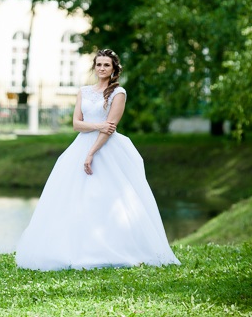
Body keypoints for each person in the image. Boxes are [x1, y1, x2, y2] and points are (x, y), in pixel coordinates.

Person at [15, 48, 180, 271]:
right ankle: (74, 248)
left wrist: (92, 152)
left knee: (108, 198)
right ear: (95, 67)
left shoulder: (118, 93)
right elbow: (76, 124)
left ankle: (115, 248)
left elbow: (110, 128)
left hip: (105, 148)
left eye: (106, 65)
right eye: (99, 64)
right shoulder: (84, 91)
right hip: (79, 145)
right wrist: (96, 125)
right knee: (74, 198)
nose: (102, 69)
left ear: (114, 69)